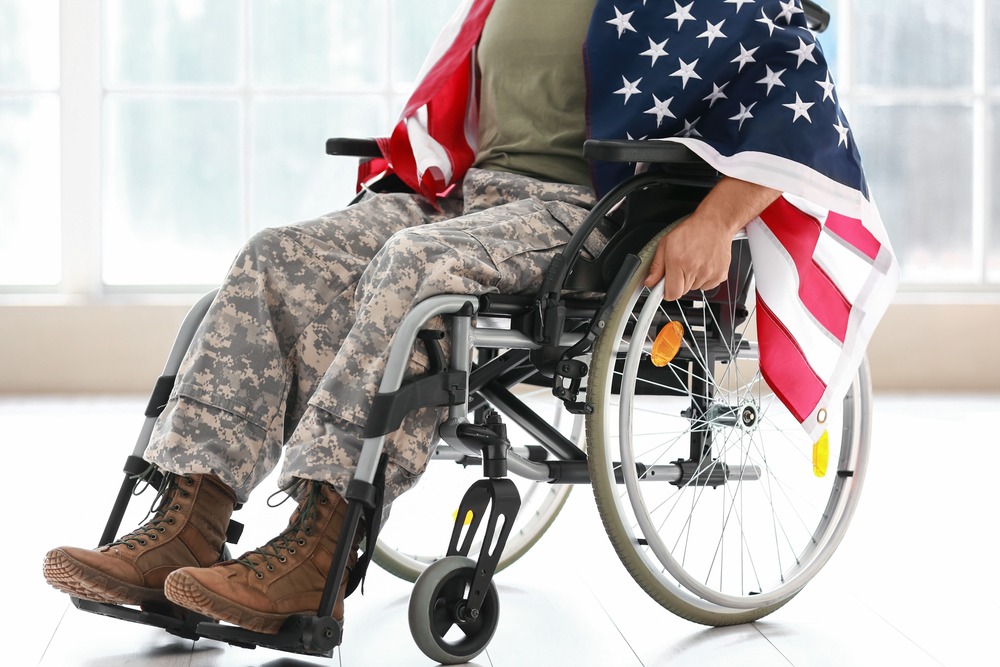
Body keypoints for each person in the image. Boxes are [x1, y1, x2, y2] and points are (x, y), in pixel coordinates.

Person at [43, 0, 896, 636]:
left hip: (585, 216)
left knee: (416, 268)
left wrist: (715, 220)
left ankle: (320, 545)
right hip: (467, 199)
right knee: (275, 254)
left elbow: (806, 105)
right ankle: (187, 516)